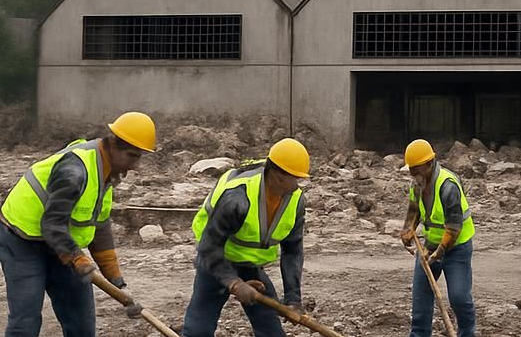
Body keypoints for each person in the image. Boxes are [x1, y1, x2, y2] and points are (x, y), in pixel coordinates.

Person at [0, 111, 156, 337]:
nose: (136, 166)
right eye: (132, 156)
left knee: (81, 323)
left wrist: (119, 284)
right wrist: (78, 259)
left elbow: (100, 229)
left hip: (62, 245)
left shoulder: (105, 174)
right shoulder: (74, 171)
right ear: (113, 145)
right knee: (26, 320)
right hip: (22, 240)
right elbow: (52, 224)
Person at [182, 138, 309, 337]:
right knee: (199, 330)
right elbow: (209, 246)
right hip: (217, 260)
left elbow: (293, 250)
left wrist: (293, 300)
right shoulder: (238, 198)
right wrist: (234, 283)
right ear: (278, 175)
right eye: (296, 178)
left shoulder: (295, 201)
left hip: (250, 266)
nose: (298, 185)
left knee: (271, 331)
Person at [399, 139, 476, 337]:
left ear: (430, 164)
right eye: (411, 171)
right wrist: (408, 229)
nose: (414, 175)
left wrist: (438, 254)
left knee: (459, 297)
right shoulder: (417, 184)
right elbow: (414, 210)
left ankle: (467, 333)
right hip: (429, 245)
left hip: (456, 248)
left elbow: (454, 227)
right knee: (421, 299)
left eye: (417, 170)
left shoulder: (448, 186)